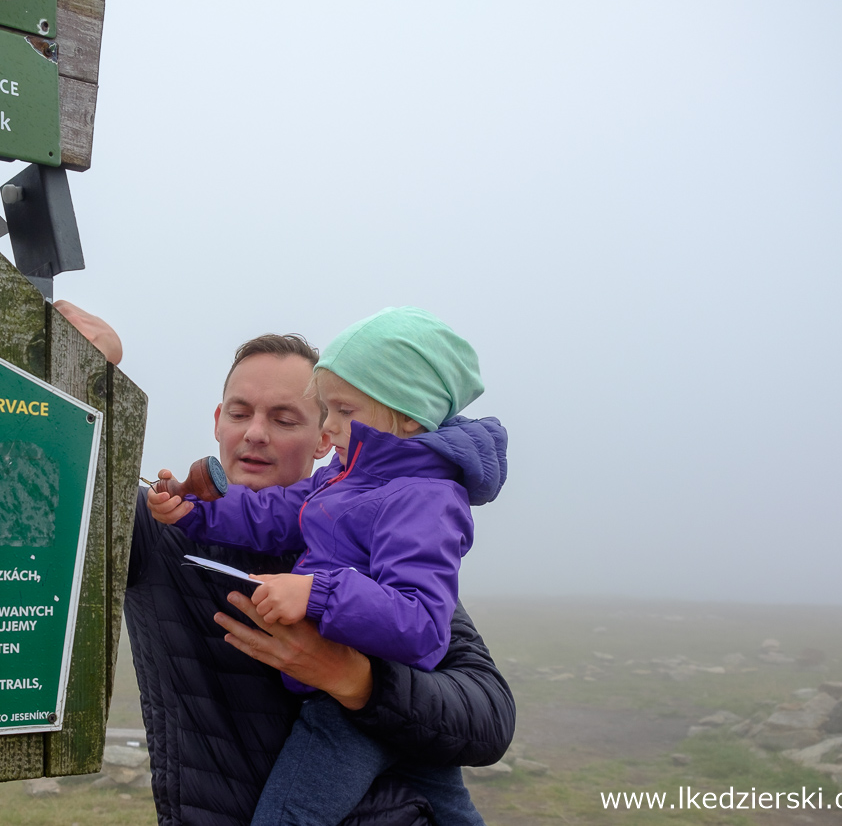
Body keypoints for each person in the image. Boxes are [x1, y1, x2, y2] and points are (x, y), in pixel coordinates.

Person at [55, 299, 514, 826]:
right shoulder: (158, 527)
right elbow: (36, 489)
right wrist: (84, 375)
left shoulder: (369, 533)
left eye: (284, 417)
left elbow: (488, 719)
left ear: (325, 439)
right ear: (217, 421)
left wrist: (355, 680)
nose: (255, 432)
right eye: (240, 412)